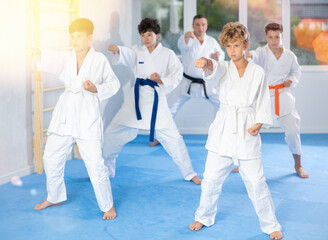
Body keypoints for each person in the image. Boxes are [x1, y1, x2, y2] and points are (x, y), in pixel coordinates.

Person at [189, 22, 283, 240]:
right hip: (223, 128)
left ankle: (270, 225)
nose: (232, 50)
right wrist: (206, 62)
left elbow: (262, 99)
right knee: (211, 178)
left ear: (246, 45)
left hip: (247, 127)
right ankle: (203, 216)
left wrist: (259, 122)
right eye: (228, 46)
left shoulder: (258, 72)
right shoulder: (224, 67)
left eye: (236, 45)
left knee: (256, 181)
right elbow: (213, 67)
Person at [33, 18, 120, 220]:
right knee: (51, 157)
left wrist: (95, 88)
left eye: (79, 36)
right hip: (66, 114)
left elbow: (113, 84)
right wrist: (37, 52)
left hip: (87, 115)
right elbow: (49, 57)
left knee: (95, 163)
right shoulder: (66, 57)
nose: (75, 40)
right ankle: (54, 196)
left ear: (89, 38)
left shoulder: (99, 60)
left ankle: (108, 205)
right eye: (72, 36)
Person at [104, 18, 201, 185]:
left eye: (149, 35)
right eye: (143, 35)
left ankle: (189, 173)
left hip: (156, 99)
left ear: (157, 36)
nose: (146, 38)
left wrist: (161, 79)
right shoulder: (137, 51)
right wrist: (117, 50)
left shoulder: (167, 54)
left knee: (173, 138)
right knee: (113, 131)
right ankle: (106, 169)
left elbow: (177, 74)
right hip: (136, 100)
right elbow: (125, 53)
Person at [232, 23, 308, 178]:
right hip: (264, 97)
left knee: (293, 131)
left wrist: (291, 80)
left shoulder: (289, 56)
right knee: (249, 130)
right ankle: (243, 163)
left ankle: (298, 165)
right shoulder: (262, 52)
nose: (274, 41)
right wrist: (244, 53)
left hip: (283, 95)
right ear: (266, 37)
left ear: (282, 36)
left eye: (277, 37)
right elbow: (253, 55)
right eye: (270, 37)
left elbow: (296, 72)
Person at [149, 14, 225, 147]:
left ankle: (231, 137)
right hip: (187, 83)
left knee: (225, 106)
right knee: (169, 108)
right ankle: (160, 137)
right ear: (192, 26)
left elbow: (220, 57)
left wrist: (216, 57)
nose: (200, 27)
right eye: (197, 24)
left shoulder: (212, 42)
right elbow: (182, 46)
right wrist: (185, 37)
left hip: (206, 84)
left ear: (206, 26)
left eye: (203, 24)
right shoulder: (188, 39)